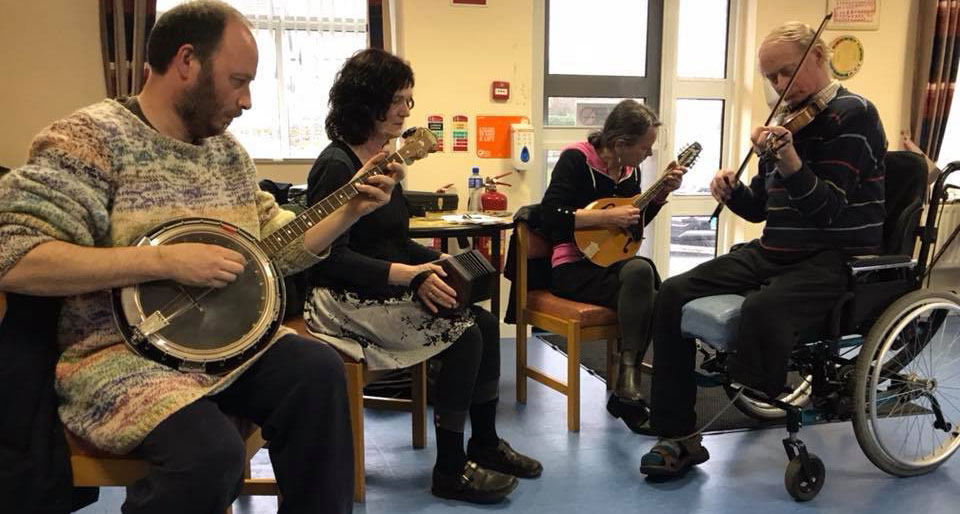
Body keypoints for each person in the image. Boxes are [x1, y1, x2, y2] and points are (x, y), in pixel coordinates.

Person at [0, 2, 398, 512]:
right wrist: (162, 263)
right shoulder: (89, 139)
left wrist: (351, 210)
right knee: (208, 455)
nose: (248, 100)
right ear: (186, 61)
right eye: (238, 81)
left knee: (317, 368)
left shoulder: (226, 153)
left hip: (228, 348)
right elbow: (16, 257)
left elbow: (277, 245)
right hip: (120, 360)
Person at [640, 21, 887, 478]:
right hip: (777, 249)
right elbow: (760, 211)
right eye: (770, 77)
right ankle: (677, 432)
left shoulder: (855, 115)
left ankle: (755, 383)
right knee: (673, 292)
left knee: (763, 308)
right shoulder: (782, 123)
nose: (777, 86)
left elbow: (828, 210)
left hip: (836, 255)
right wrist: (731, 193)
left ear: (819, 55)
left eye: (785, 73)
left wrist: (791, 159)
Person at [302, 48, 542, 504]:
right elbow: (327, 260)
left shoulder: (386, 160)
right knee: (465, 331)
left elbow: (390, 240)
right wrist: (411, 276)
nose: (404, 111)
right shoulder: (336, 165)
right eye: (396, 99)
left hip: (378, 287)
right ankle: (450, 468)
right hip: (339, 300)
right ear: (364, 100)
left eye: (408, 99)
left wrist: (429, 264)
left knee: (486, 323)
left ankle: (485, 443)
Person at [539, 99, 685, 432]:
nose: (648, 154)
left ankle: (628, 379)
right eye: (645, 147)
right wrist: (604, 216)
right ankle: (628, 389)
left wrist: (659, 195)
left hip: (612, 265)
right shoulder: (576, 160)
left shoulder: (630, 173)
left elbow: (631, 229)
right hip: (572, 268)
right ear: (620, 144)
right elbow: (549, 216)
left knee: (641, 271)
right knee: (649, 287)